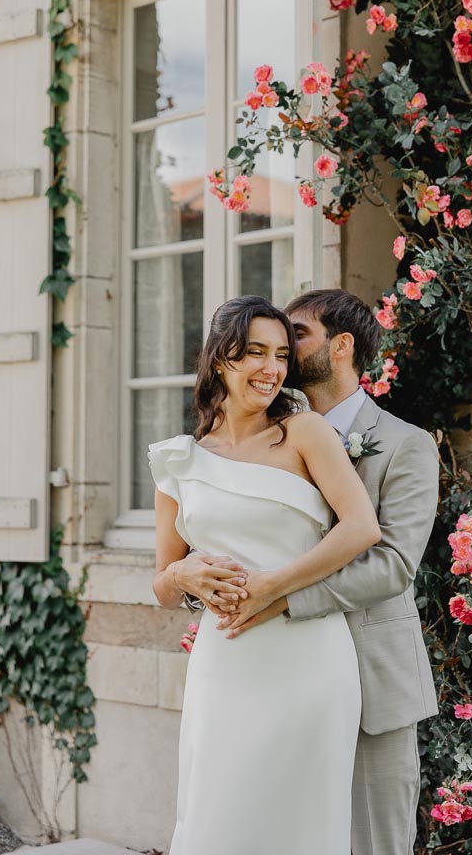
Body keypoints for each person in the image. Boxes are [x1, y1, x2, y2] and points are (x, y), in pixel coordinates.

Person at [149, 295, 380, 855]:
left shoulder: (304, 433)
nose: (272, 368)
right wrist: (185, 573)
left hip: (308, 663)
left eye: (281, 354)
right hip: (223, 664)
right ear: (221, 359)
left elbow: (360, 529)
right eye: (255, 352)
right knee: (217, 816)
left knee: (300, 825)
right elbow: (160, 584)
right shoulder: (181, 460)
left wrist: (273, 584)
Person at [217, 288, 440, 855]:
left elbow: (393, 564)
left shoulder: (406, 446)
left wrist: (282, 599)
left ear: (341, 347)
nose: (280, 349)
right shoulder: (268, 439)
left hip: (372, 678)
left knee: (374, 841)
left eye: (296, 334)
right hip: (280, 675)